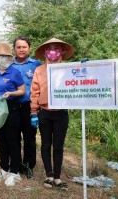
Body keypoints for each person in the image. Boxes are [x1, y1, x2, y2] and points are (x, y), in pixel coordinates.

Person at [30, 37, 74, 190]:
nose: (52, 51)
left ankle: (57, 177)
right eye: (50, 48)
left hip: (61, 113)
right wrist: (34, 112)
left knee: (58, 146)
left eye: (56, 48)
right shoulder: (39, 70)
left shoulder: (69, 69)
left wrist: (85, 68)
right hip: (44, 113)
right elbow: (35, 92)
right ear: (45, 52)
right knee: (46, 144)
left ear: (62, 51)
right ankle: (48, 175)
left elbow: (78, 82)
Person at [0, 42, 25, 187]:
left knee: (12, 142)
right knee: (1, 141)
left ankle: (14, 171)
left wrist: (11, 93)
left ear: (9, 58)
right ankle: (4, 168)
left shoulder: (14, 72)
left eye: (4, 56)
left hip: (11, 109)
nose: (1, 59)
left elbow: (22, 90)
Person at [11, 36, 41, 179]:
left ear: (29, 48)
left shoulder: (36, 64)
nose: (21, 50)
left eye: (24, 47)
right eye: (18, 47)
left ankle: (29, 166)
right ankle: (16, 166)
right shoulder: (10, 65)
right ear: (14, 49)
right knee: (14, 137)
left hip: (30, 108)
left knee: (29, 138)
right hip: (13, 106)